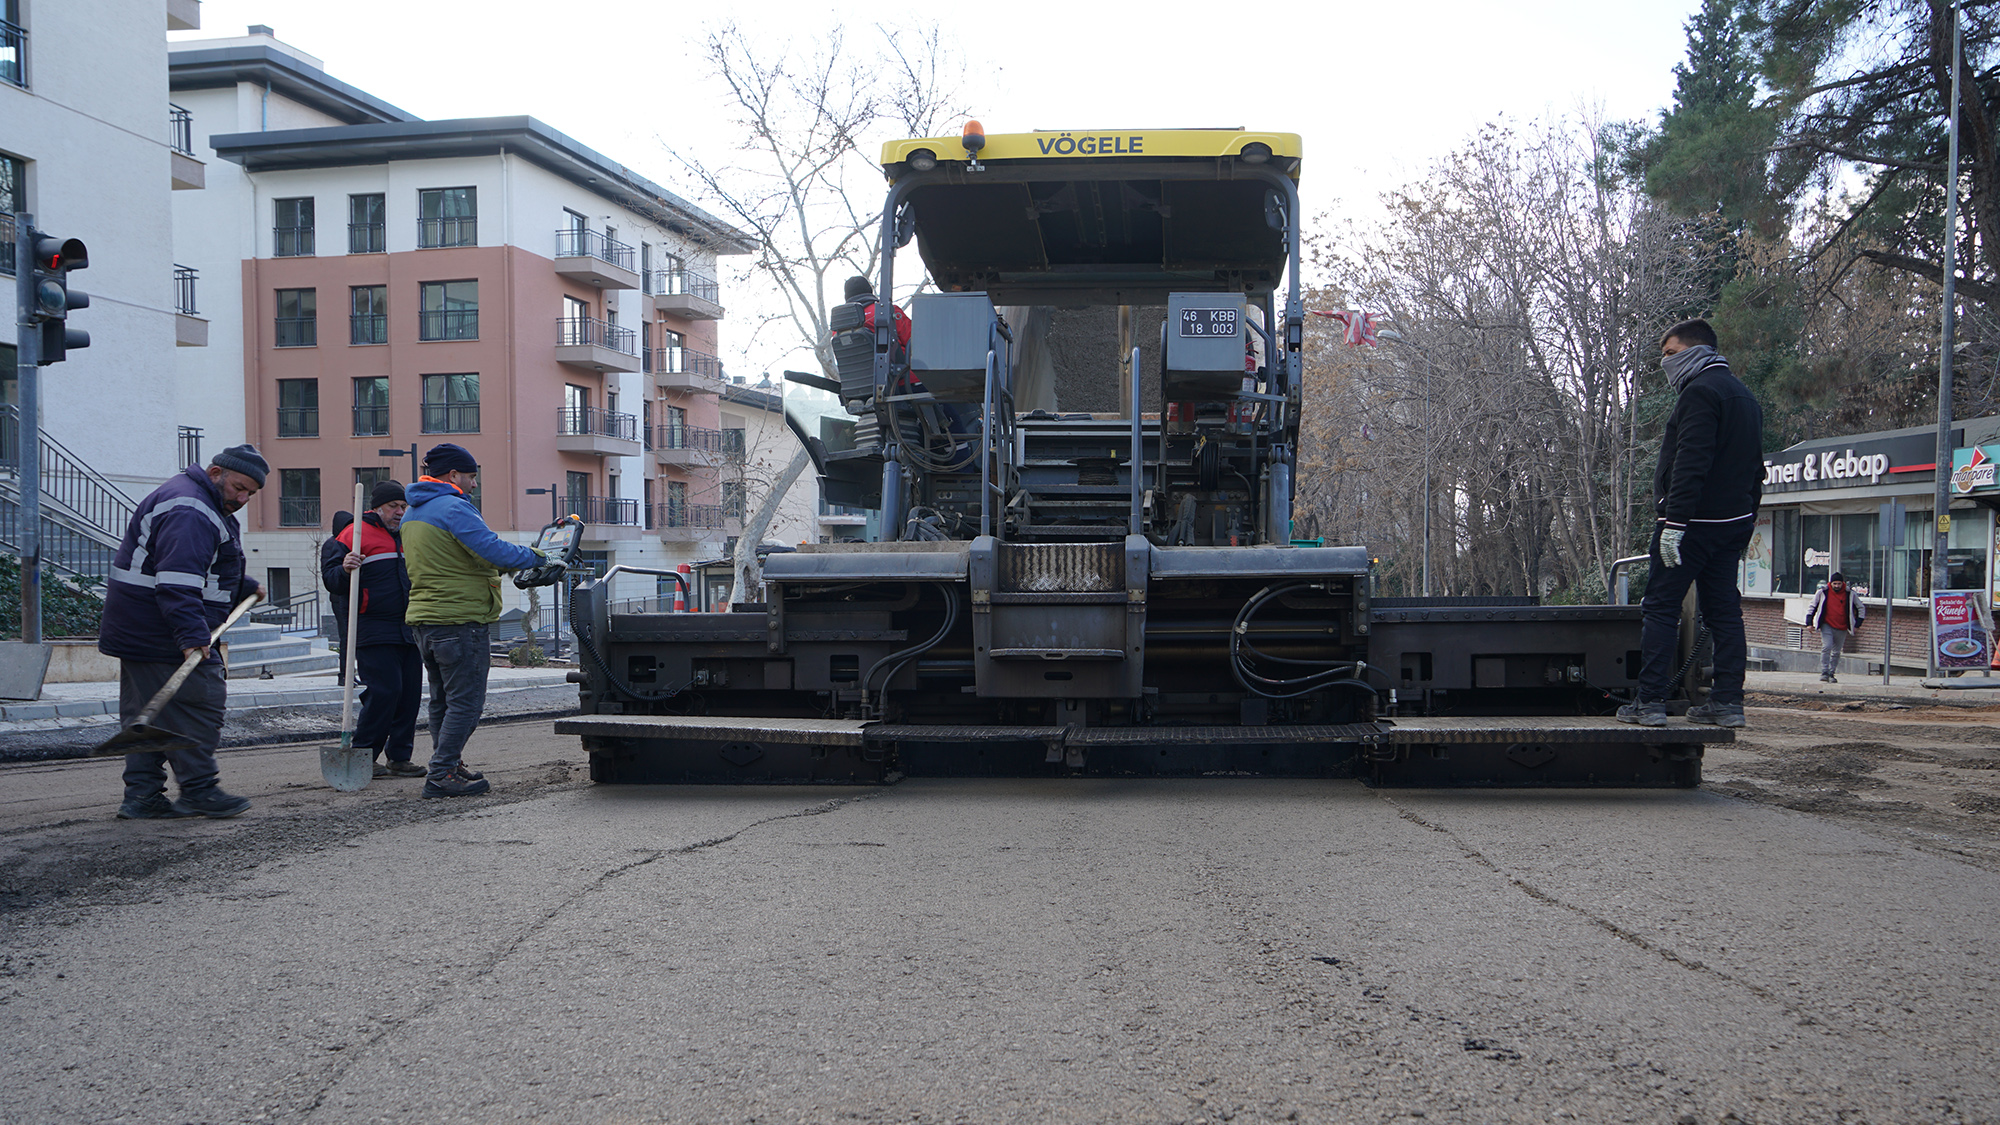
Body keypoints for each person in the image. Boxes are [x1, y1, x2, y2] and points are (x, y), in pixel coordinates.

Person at [100, 445, 268, 819]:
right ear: (214, 473)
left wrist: (242, 586)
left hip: (144, 627)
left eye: (251, 494)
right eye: (239, 488)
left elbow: (196, 567)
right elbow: (176, 581)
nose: (242, 499)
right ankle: (198, 789)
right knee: (200, 705)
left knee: (148, 716)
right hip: (160, 629)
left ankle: (143, 797)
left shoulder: (195, 501)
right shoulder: (190, 509)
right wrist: (192, 636)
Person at [1617, 318, 1765, 730]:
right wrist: (1747, 520)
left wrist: (1674, 523)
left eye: (1670, 353)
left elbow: (1690, 463)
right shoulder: (1744, 396)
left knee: (1662, 609)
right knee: (1724, 613)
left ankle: (1649, 703)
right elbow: (1756, 470)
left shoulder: (1699, 393)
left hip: (1691, 526)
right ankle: (1727, 703)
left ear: (1696, 350)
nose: (1665, 362)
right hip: (1730, 526)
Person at [401, 443, 554, 798]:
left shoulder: (413, 512)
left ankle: (448, 763)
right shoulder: (454, 508)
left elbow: (459, 559)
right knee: (467, 703)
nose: (473, 484)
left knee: (442, 701)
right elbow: (491, 548)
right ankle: (441, 774)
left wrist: (501, 564)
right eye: (471, 477)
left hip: (426, 621)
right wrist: (538, 556)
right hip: (459, 620)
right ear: (453, 475)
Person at [322, 481, 424, 778]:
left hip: (409, 625)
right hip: (372, 626)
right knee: (385, 691)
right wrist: (344, 568)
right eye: (394, 506)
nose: (399, 512)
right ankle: (364, 752)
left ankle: (400, 757)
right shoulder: (352, 535)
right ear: (377, 508)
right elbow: (331, 579)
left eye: (403, 507)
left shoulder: (408, 535)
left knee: (409, 695)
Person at [1806, 571, 1865, 683]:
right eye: (1835, 584)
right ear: (1830, 583)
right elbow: (1812, 606)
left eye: (1839, 584)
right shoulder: (1823, 592)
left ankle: (1831, 672)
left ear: (1842, 583)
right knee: (1826, 646)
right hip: (1827, 624)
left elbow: (1860, 608)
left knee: (1836, 651)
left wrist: (1857, 624)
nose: (1837, 586)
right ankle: (1824, 671)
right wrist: (1809, 623)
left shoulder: (1849, 594)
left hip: (1842, 626)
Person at [320, 510, 355, 685]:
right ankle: (345, 675)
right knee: (346, 637)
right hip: (340, 597)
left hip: (349, 595)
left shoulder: (345, 542)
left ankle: (350, 674)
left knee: (352, 637)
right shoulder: (332, 545)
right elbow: (330, 573)